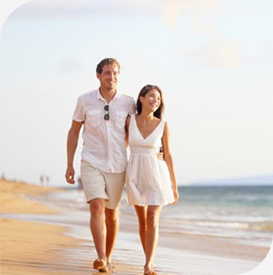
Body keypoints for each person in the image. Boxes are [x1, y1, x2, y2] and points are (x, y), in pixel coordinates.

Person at [65, 58, 135, 272]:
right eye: (107, 73)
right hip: (91, 161)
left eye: (115, 73)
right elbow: (74, 132)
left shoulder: (128, 102)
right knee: (97, 206)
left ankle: (109, 256)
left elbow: (134, 133)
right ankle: (101, 258)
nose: (111, 77)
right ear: (98, 75)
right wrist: (69, 164)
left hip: (118, 165)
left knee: (112, 213)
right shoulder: (85, 100)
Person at [125, 84, 179, 275]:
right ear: (141, 98)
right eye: (151, 96)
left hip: (158, 173)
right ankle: (148, 258)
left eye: (158, 98)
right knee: (142, 221)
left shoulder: (163, 125)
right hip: (135, 173)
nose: (155, 101)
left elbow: (169, 155)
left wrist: (174, 184)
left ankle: (149, 264)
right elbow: (120, 144)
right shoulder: (129, 121)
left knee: (152, 217)